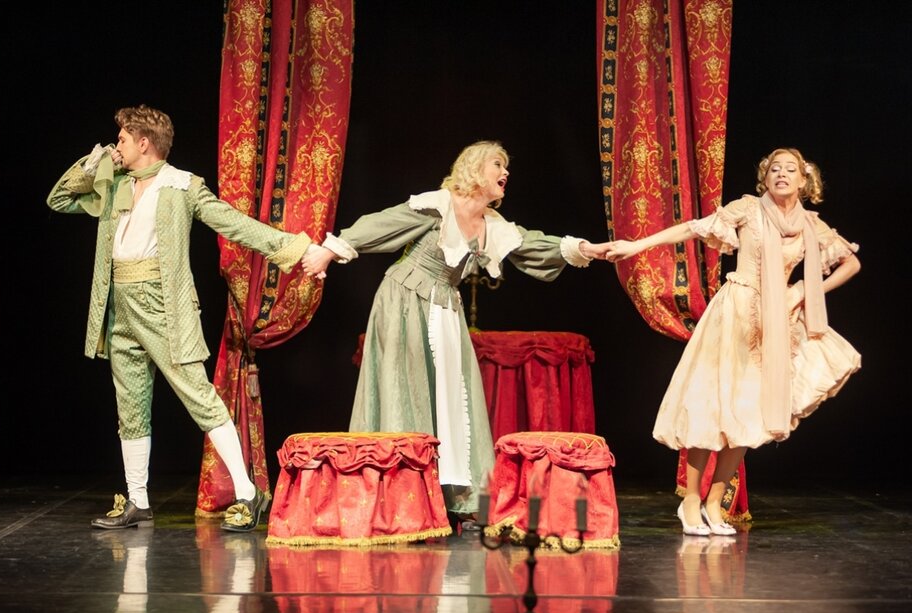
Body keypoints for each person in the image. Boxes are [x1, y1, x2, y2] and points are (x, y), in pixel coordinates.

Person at [301, 141, 610, 521]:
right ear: (475, 169)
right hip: (404, 301)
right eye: (498, 164)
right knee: (406, 387)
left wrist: (587, 249)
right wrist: (330, 251)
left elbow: (533, 245)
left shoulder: (493, 226)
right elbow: (381, 224)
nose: (505, 172)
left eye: (506, 166)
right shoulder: (438, 206)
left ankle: (454, 493)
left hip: (446, 306)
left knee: (453, 394)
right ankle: (401, 493)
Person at [46, 105, 316, 532]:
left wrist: (294, 249)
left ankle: (248, 492)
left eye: (122, 140)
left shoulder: (182, 186)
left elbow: (234, 224)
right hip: (119, 304)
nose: (117, 145)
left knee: (198, 396)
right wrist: (97, 162)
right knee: (130, 406)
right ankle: (138, 500)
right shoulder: (113, 184)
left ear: (144, 143)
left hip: (162, 303)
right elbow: (59, 199)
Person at [606, 148, 861, 535]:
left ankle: (714, 502)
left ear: (803, 181)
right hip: (735, 314)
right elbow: (692, 228)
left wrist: (804, 291)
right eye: (774, 169)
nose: (781, 174)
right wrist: (636, 246)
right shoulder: (748, 209)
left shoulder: (811, 225)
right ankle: (691, 501)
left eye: (790, 169)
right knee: (711, 405)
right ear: (765, 178)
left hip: (774, 323)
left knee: (749, 411)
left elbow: (851, 263)